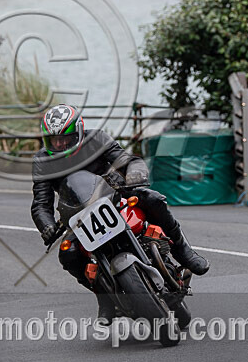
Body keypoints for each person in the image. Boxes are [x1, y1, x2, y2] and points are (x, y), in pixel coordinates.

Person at [30, 104, 209, 320]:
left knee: (153, 199)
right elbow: (41, 202)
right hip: (78, 214)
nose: (59, 144)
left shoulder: (96, 139)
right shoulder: (42, 160)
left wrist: (134, 176)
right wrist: (46, 226)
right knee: (68, 253)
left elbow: (128, 161)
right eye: (54, 140)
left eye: (65, 139)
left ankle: (183, 251)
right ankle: (104, 295)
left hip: (112, 194)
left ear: (78, 131)